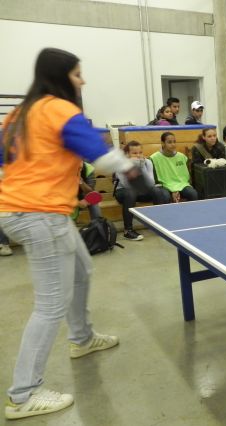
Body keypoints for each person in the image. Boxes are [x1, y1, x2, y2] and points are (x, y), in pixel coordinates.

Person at [0, 47, 135, 420]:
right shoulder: (60, 110)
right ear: (61, 77)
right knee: (50, 305)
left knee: (81, 270)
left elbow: (4, 161)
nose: (83, 80)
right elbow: (101, 155)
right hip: (40, 215)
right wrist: (130, 169)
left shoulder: (18, 114)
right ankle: (23, 394)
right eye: (77, 74)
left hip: (28, 211)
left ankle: (82, 339)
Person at [115, 140, 169, 241]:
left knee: (157, 191)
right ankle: (128, 230)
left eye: (140, 152)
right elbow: (125, 184)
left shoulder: (147, 162)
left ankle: (160, 226)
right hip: (123, 191)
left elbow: (151, 183)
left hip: (140, 190)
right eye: (134, 153)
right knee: (130, 193)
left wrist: (141, 167)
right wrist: (132, 167)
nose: (138, 155)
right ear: (127, 154)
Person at [150, 131, 198, 202]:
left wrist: (176, 189)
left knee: (193, 193)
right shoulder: (153, 158)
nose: (173, 144)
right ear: (162, 143)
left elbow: (186, 177)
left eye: (174, 142)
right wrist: (173, 190)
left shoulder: (182, 157)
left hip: (181, 185)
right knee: (164, 196)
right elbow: (156, 181)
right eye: (169, 142)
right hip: (163, 186)